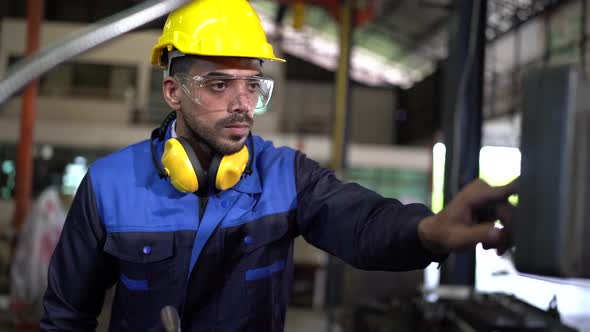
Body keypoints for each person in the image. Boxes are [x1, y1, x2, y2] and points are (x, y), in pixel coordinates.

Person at [40, 0, 516, 331]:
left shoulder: (285, 177)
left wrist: (428, 231)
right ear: (173, 92)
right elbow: (66, 317)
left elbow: (362, 223)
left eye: (252, 85)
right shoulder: (108, 186)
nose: (243, 104)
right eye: (219, 85)